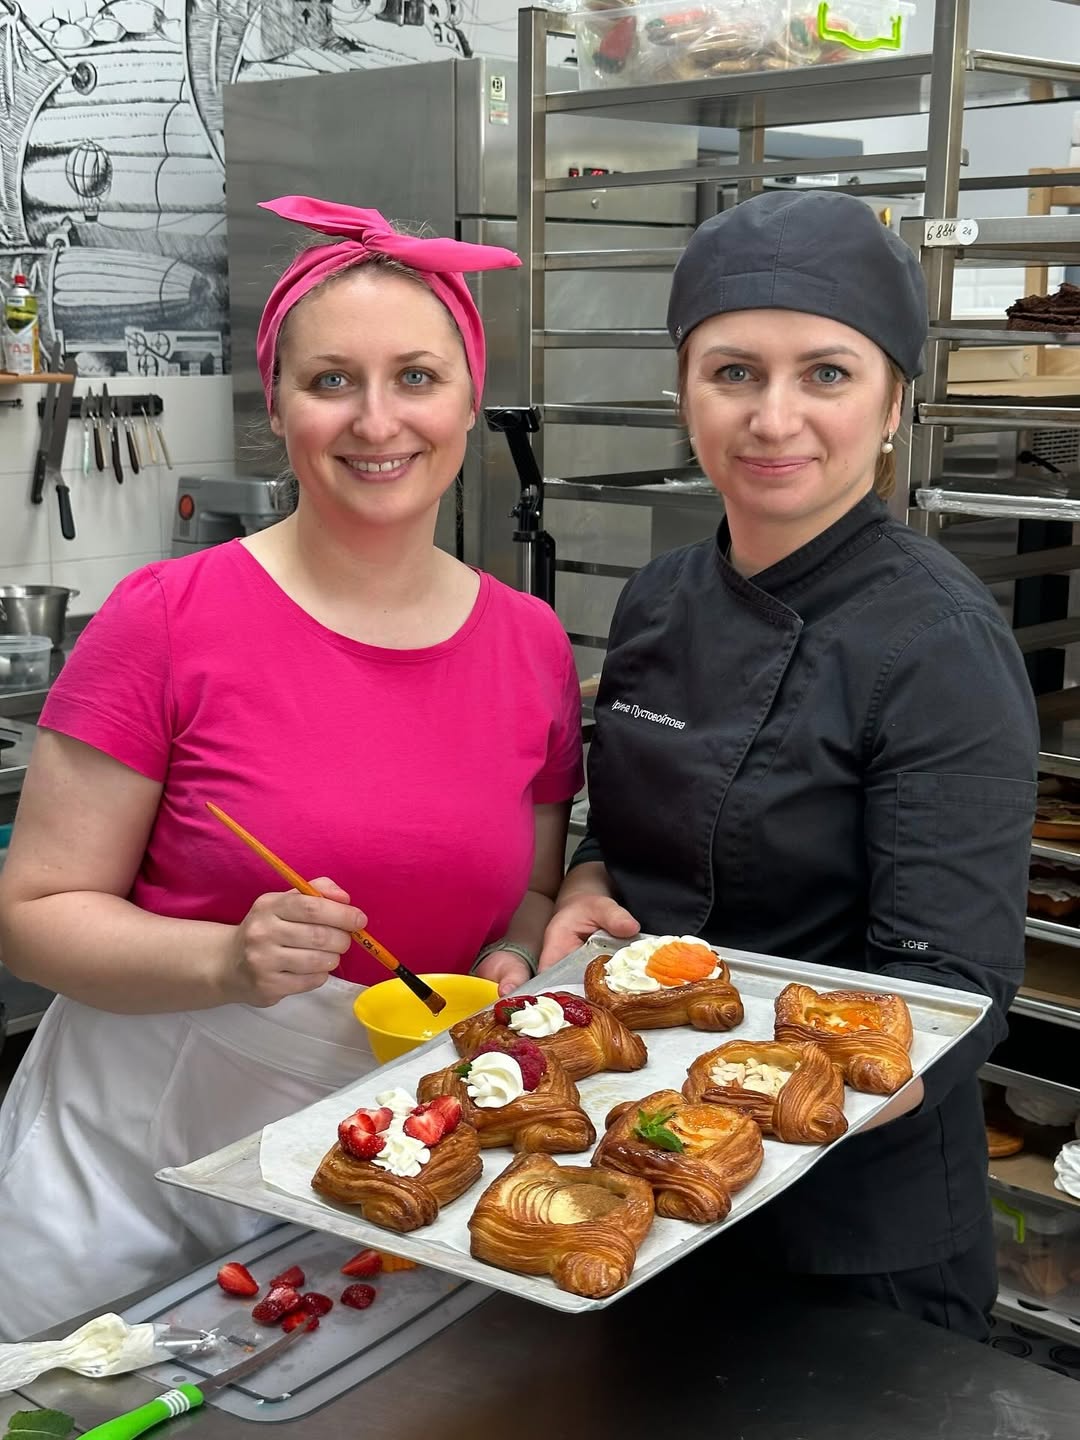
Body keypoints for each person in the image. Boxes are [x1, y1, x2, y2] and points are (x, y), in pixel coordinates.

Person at [0, 197, 583, 1338]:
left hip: (391, 1162)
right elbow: (30, 916)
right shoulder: (166, 618)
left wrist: (515, 958)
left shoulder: (530, 645)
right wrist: (227, 958)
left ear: (470, 399)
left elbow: (528, 889)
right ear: (276, 405)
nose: (377, 420)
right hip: (133, 1174)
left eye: (416, 377)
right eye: (331, 382)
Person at [541, 189, 1038, 1341]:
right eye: (733, 373)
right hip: (638, 1178)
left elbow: (949, 996)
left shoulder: (940, 643)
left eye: (826, 373)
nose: (774, 418)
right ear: (684, 392)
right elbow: (627, 821)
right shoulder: (660, 596)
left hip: (845, 1240)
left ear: (894, 402)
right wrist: (587, 881)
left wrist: (734, 1112)